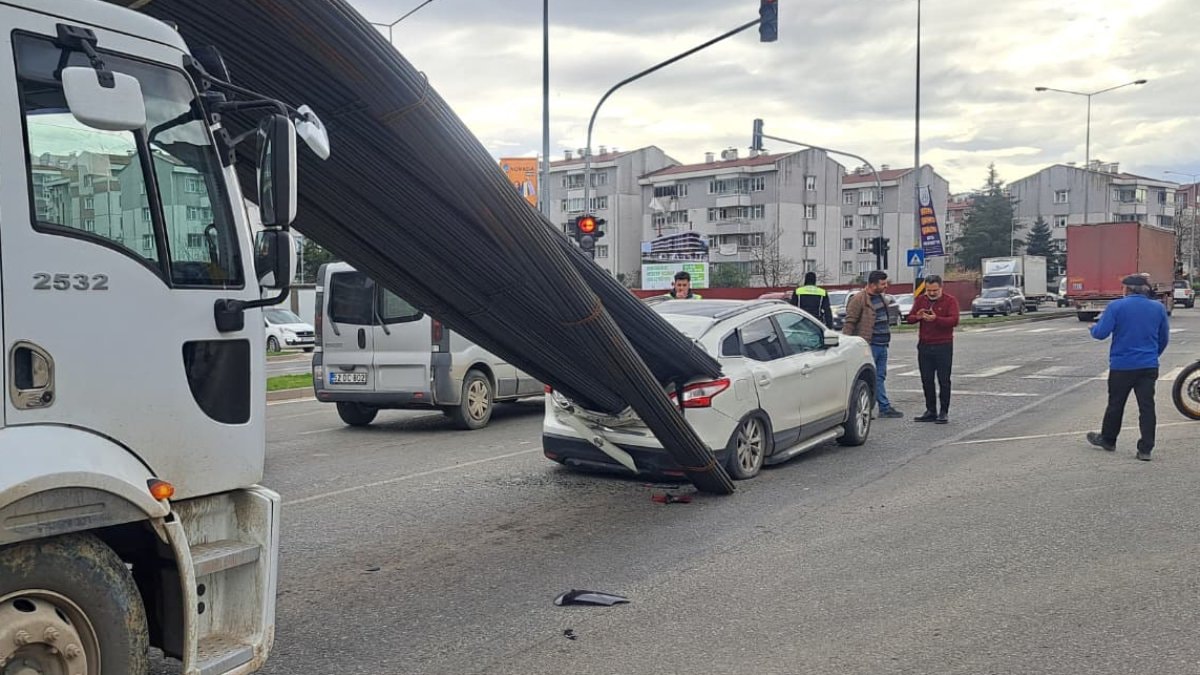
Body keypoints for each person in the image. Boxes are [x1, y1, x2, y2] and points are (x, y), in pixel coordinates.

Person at [1086, 274, 1170, 461]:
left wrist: (1093, 327)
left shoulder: (1116, 306)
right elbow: (1164, 338)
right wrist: (1152, 355)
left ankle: (1108, 439)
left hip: (1122, 365)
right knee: (1147, 406)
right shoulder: (1158, 308)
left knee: (1116, 403)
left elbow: (1101, 334)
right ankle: (1145, 448)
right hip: (1148, 365)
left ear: (1127, 289)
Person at [843, 270, 901, 418]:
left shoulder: (880, 298)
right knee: (868, 378)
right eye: (883, 284)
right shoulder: (859, 299)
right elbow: (850, 322)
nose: (886, 286)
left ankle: (883, 407)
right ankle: (872, 407)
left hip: (882, 344)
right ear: (873, 284)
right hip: (869, 345)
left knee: (880, 376)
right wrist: (845, 344)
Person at [905, 275, 960, 424]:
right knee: (926, 379)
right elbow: (909, 319)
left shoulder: (950, 300)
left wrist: (936, 319)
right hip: (924, 345)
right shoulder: (921, 300)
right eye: (929, 290)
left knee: (944, 380)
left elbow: (954, 321)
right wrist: (918, 316)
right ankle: (931, 410)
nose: (932, 293)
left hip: (943, 345)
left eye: (935, 290)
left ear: (941, 288)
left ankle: (943, 412)